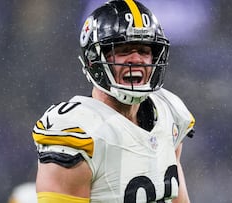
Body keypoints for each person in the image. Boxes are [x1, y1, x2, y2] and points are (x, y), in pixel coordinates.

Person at [32, 0, 195, 202]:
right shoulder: (78, 131)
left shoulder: (169, 112)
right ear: (94, 60)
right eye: (124, 50)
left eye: (144, 51)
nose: (136, 60)